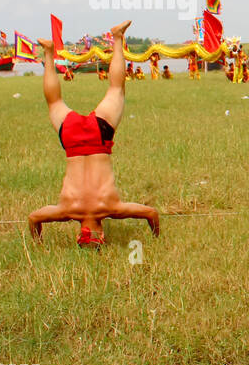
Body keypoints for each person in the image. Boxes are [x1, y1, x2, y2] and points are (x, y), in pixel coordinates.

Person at [28, 20, 159, 247]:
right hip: (72, 142)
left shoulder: (112, 208)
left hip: (100, 137)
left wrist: (157, 236)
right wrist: (37, 240)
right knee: (54, 101)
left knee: (116, 89)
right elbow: (33, 219)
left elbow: (151, 213)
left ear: (102, 235)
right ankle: (48, 52)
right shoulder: (65, 211)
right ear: (80, 234)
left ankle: (117, 37)